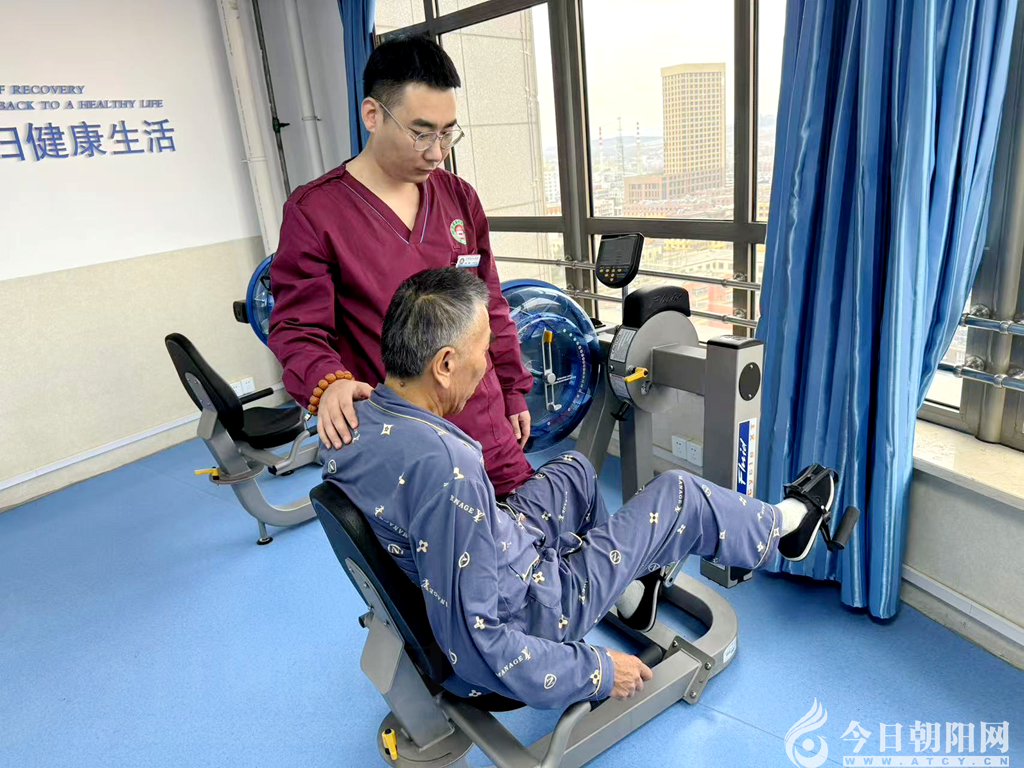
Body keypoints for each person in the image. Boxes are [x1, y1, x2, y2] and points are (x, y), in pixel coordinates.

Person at [323, 268, 840, 711]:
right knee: (678, 494)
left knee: (575, 471)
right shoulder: (447, 466)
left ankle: (629, 591)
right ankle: (785, 528)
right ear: (444, 365)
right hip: (535, 612)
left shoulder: (351, 418)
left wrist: (336, 384)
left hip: (497, 549)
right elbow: (479, 646)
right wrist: (597, 670)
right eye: (483, 349)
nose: (487, 365)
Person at [268, 35, 535, 498]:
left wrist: (512, 388)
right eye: (421, 133)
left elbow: (490, 304)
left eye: (448, 133)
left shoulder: (459, 197)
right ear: (372, 115)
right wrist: (329, 383)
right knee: (438, 540)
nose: (437, 152)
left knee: (524, 524)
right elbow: (298, 328)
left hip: (485, 420)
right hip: (403, 439)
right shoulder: (316, 213)